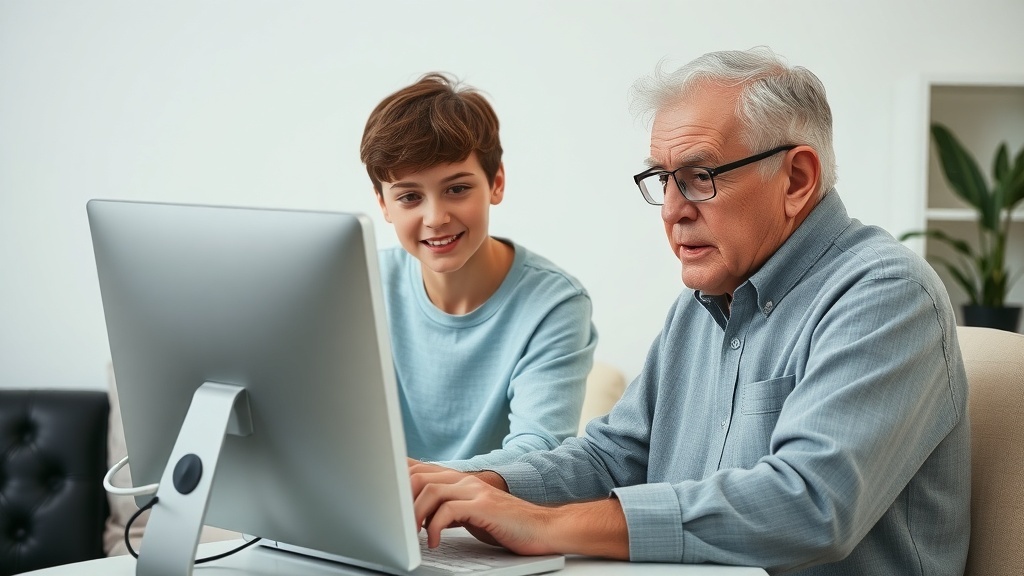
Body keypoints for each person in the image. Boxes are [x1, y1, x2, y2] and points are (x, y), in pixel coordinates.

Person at [408, 47, 970, 575]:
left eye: (700, 178)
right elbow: (611, 458)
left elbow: (808, 503)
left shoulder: (885, 294)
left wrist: (546, 525)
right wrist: (464, 484)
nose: (672, 211)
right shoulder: (699, 306)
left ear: (796, 179)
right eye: (662, 180)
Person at [359, 73, 598, 470]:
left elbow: (537, 452)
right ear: (384, 205)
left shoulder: (555, 303)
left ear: (496, 183)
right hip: (377, 516)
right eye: (410, 197)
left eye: (456, 189)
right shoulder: (361, 285)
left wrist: (406, 482)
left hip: (486, 524)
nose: (435, 218)